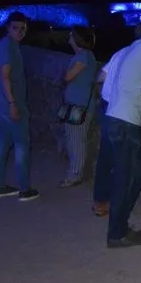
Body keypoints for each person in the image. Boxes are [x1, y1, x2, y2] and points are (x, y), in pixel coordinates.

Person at [95, 19, 141, 248]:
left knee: (137, 174)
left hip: (115, 115)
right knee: (128, 178)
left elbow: (101, 78)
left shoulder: (130, 49)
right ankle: (116, 233)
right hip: (126, 121)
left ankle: (119, 225)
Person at [0, 12, 39, 201]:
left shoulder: (8, 45)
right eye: (15, 28)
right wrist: (13, 104)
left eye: (22, 28)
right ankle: (25, 189)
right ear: (8, 27)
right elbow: (5, 77)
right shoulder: (8, 47)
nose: (19, 31)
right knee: (22, 145)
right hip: (10, 103)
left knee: (3, 143)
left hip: (2, 102)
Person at [60, 25, 98, 188]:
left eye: (71, 35)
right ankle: (75, 171)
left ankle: (75, 174)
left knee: (76, 140)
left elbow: (68, 76)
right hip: (76, 104)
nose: (69, 37)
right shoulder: (83, 56)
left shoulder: (84, 56)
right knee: (73, 138)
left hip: (80, 106)